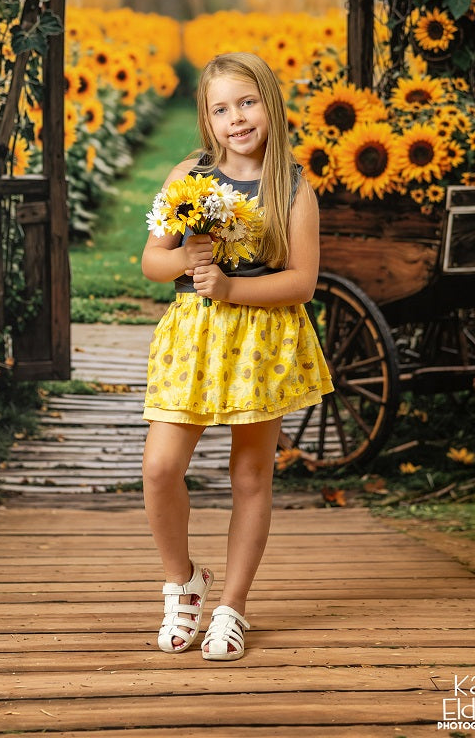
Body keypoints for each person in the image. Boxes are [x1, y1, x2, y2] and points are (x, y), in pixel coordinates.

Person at [141, 51, 333, 661]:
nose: (237, 119)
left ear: (269, 105)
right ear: (207, 118)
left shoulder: (292, 187)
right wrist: (189, 258)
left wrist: (232, 288)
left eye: (247, 103)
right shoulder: (189, 176)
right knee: (160, 468)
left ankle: (233, 606)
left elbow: (302, 282)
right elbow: (153, 261)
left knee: (250, 475)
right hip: (195, 338)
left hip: (262, 342)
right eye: (221, 109)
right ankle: (183, 581)